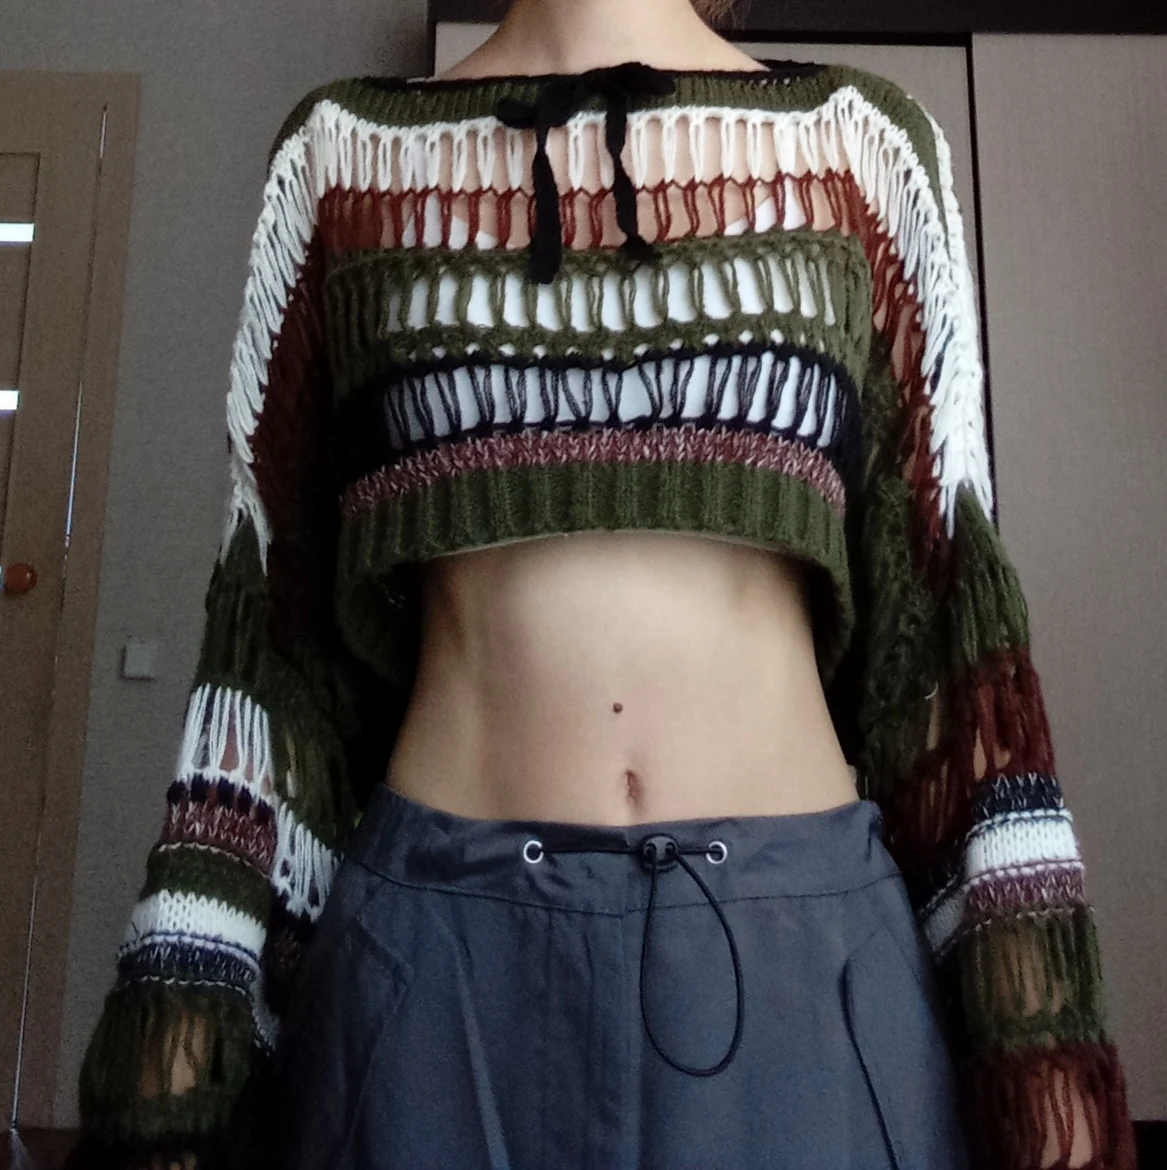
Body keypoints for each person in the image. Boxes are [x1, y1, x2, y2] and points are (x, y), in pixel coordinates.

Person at [70, 0, 1137, 1167]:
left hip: (803, 967)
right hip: (438, 966)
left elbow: (941, 633)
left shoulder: (863, 146)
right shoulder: (343, 158)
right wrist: (185, 1042)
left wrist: (1039, 1068)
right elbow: (280, 658)